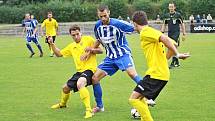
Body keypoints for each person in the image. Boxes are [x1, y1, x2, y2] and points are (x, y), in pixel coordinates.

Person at [130, 10, 190, 121]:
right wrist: (164, 60)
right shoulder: (153, 31)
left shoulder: (145, 32)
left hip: (156, 74)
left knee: (133, 99)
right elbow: (174, 43)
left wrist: (177, 54)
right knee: (140, 98)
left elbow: (166, 40)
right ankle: (142, 114)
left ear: (135, 23)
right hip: (160, 73)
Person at [84, 4, 142, 112]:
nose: (103, 18)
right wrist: (90, 51)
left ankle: (149, 94)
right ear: (98, 14)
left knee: (132, 74)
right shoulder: (97, 26)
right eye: (101, 16)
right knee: (94, 78)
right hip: (110, 58)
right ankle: (100, 106)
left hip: (123, 54)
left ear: (109, 13)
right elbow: (99, 40)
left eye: (105, 15)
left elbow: (136, 28)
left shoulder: (118, 24)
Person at [49, 25, 103, 118]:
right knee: (65, 88)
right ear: (71, 35)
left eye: (77, 34)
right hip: (79, 72)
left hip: (90, 70)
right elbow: (58, 54)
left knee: (80, 83)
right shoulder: (72, 46)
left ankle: (89, 110)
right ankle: (63, 104)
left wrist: (91, 49)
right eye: (73, 35)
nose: (76, 36)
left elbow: (100, 50)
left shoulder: (88, 40)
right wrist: (52, 44)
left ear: (80, 32)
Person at [161, 2, 186, 68]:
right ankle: (176, 62)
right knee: (171, 48)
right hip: (170, 34)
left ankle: (173, 62)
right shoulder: (166, 16)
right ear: (168, 8)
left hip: (176, 34)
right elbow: (164, 24)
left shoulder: (178, 15)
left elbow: (182, 24)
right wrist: (161, 33)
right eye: (170, 7)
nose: (171, 8)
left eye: (172, 7)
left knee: (173, 47)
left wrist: (184, 33)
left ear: (174, 7)